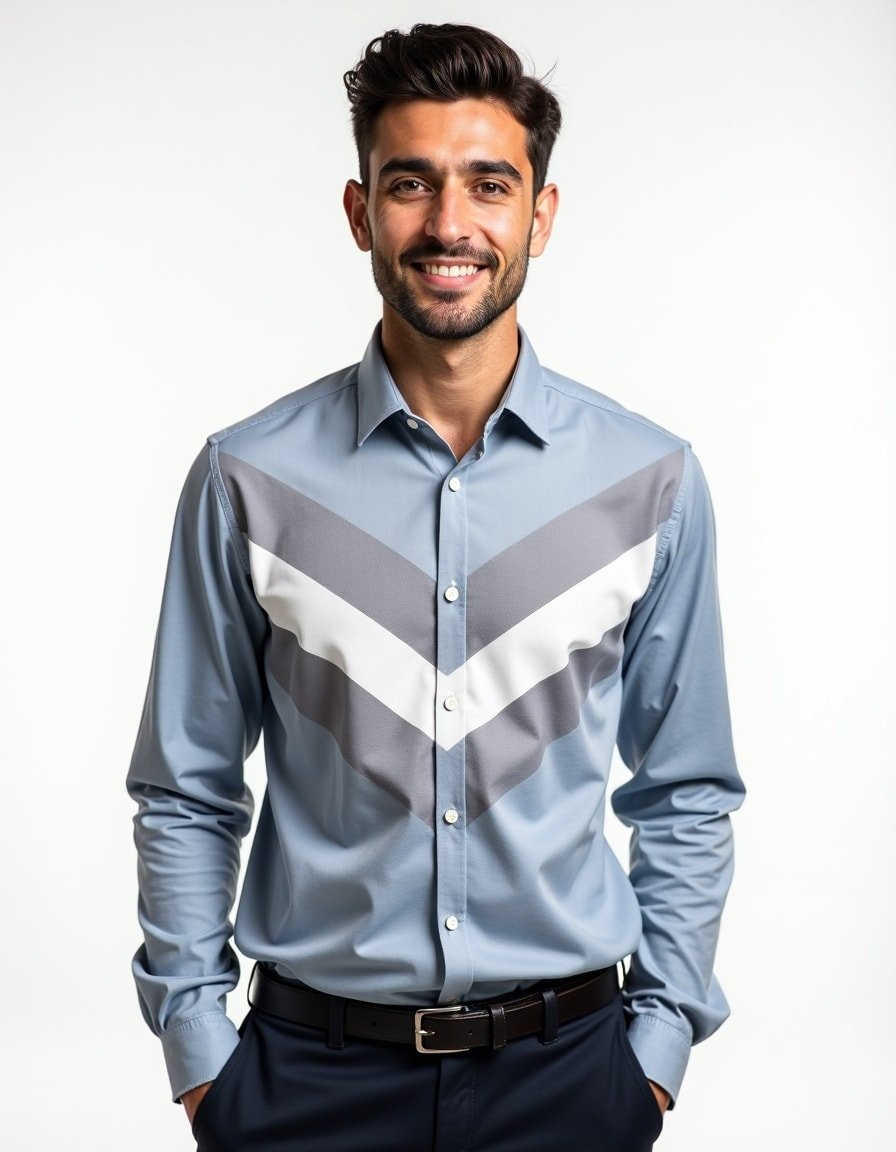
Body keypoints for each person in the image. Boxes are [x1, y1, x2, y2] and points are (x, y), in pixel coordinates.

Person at [128, 22, 744, 1152]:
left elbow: (685, 789)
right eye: (409, 184)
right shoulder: (246, 479)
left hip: (572, 1082)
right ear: (361, 211)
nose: (448, 224)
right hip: (303, 1086)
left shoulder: (648, 485)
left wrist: (650, 1058)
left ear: (538, 218)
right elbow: (187, 787)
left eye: (487, 185)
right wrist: (199, 1056)